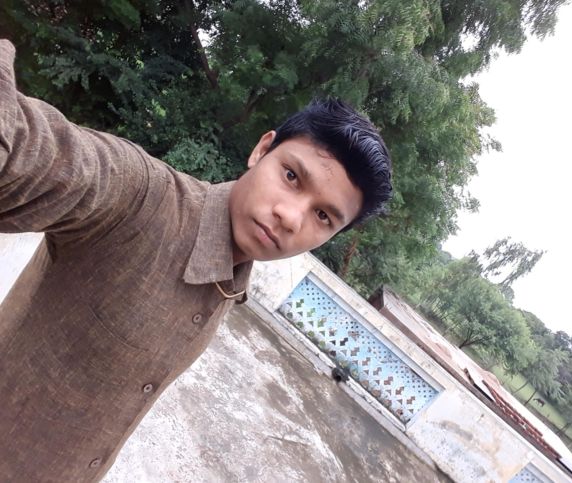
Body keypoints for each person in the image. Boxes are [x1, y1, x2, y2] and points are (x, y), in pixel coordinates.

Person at [0, 39, 392, 481]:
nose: (290, 216)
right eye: (291, 176)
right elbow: (32, 153)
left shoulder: (231, 280)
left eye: (322, 216)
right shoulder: (138, 196)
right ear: (262, 150)